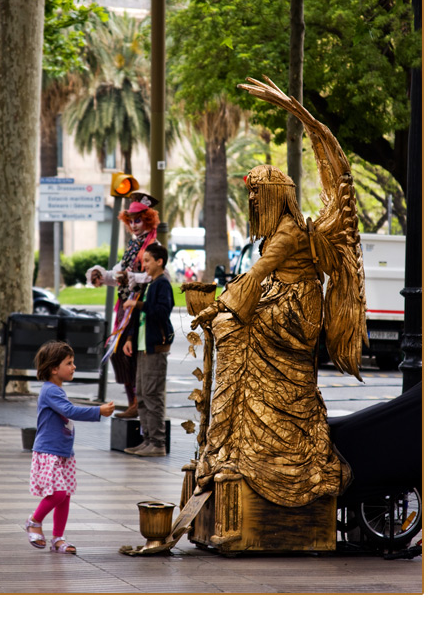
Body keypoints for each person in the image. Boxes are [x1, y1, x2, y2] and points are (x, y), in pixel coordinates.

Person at [190, 165, 351, 508]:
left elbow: (257, 272)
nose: (252, 200)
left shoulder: (288, 232)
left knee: (231, 329)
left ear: (277, 196)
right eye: (250, 193)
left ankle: (228, 441)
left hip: (295, 313)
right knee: (227, 328)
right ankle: (227, 439)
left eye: (257, 193)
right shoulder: (278, 229)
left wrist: (218, 306)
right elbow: (258, 281)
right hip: (277, 300)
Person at [25, 340, 115, 553]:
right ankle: (34, 520)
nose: (74, 367)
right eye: (69, 363)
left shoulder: (56, 389)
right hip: (49, 451)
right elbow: (71, 411)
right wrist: (98, 411)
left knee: (64, 496)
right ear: (54, 369)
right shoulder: (50, 391)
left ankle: (58, 539)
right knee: (58, 494)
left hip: (62, 452)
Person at [86, 192, 160, 418]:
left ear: (147, 219)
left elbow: (155, 276)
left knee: (128, 354)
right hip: (125, 308)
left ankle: (137, 403)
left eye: (138, 220)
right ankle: (133, 402)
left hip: (139, 309)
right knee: (119, 354)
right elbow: (119, 273)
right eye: (131, 220)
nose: (134, 225)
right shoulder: (133, 245)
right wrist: (102, 276)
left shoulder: (153, 245)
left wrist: (130, 279)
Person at [122, 243, 174, 457]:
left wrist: (137, 305)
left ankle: (158, 443)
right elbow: (140, 317)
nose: (144, 265)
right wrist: (131, 338)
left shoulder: (163, 284)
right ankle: (147, 440)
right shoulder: (149, 284)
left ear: (159, 261)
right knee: (142, 394)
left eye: (147, 261)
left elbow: (162, 312)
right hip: (143, 347)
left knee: (153, 395)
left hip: (155, 347)